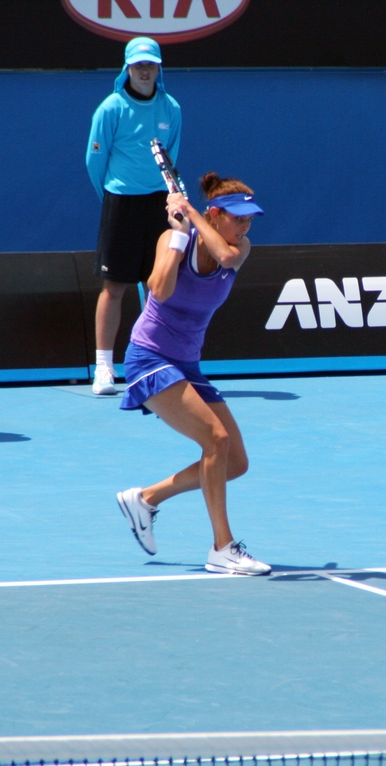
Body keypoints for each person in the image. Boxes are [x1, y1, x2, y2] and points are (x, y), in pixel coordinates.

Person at [115, 173, 270, 576]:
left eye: (249, 220)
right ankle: (223, 548)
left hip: (187, 364)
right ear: (216, 215)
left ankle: (146, 498)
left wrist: (191, 215)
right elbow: (159, 290)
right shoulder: (173, 241)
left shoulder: (240, 248)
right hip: (149, 358)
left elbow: (228, 257)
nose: (245, 228)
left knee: (234, 462)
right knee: (215, 439)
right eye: (238, 219)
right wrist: (179, 236)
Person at [86, 36, 182, 396]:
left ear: (159, 69)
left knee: (159, 287)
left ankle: (153, 361)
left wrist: (171, 199)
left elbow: (170, 159)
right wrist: (112, 198)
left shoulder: (171, 108)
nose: (144, 71)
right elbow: (94, 162)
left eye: (150, 65)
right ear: (127, 69)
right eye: (138, 65)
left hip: (158, 203)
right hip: (121, 202)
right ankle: (105, 368)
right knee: (114, 288)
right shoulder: (110, 108)